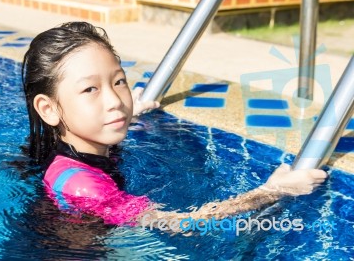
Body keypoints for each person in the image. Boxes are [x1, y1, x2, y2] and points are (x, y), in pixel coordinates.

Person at [22, 21, 327, 231]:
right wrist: (273, 191)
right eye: (91, 90)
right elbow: (178, 224)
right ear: (48, 109)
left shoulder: (78, 146)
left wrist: (134, 112)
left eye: (118, 82)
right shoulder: (82, 186)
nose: (115, 100)